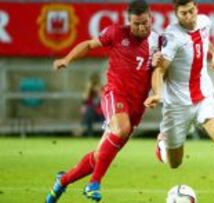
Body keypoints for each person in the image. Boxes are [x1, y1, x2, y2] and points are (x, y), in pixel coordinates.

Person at [45, 1, 161, 202]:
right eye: (136, 24)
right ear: (128, 21)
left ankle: (62, 182)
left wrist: (157, 90)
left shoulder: (158, 41)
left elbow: (158, 72)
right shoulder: (116, 33)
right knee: (121, 129)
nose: (142, 27)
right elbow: (89, 45)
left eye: (145, 22)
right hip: (115, 94)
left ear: (151, 18)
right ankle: (94, 183)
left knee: (100, 156)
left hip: (136, 106)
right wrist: (67, 59)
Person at [144, 0, 214, 202]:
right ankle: (163, 142)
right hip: (177, 104)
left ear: (197, 9)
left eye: (191, 11)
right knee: (174, 163)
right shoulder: (172, 37)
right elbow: (160, 69)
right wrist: (157, 93)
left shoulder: (205, 21)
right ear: (176, 15)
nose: (189, 16)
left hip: (204, 96)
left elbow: (203, 39)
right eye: (183, 13)